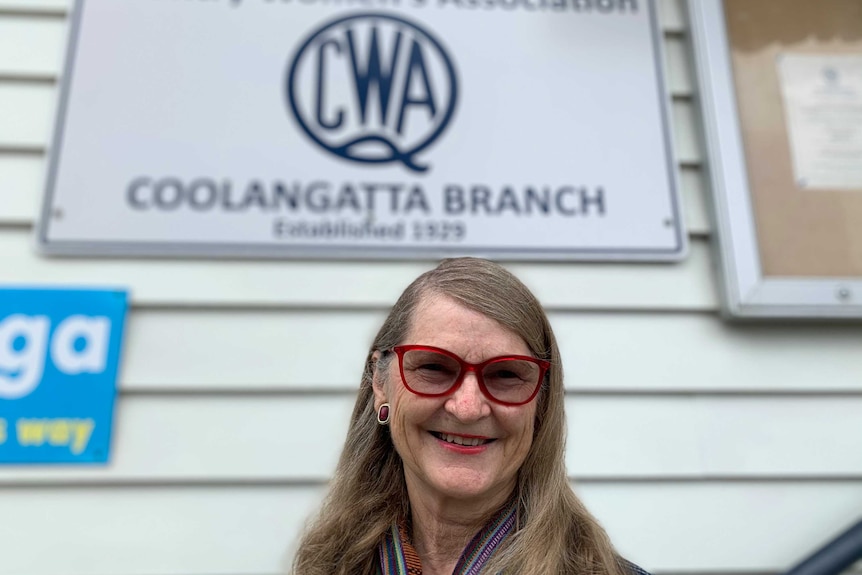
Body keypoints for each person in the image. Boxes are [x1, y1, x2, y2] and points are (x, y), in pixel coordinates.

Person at [291, 258, 648, 575]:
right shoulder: (327, 565)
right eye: (433, 367)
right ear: (381, 383)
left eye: (506, 374)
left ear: (542, 400)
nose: (467, 408)